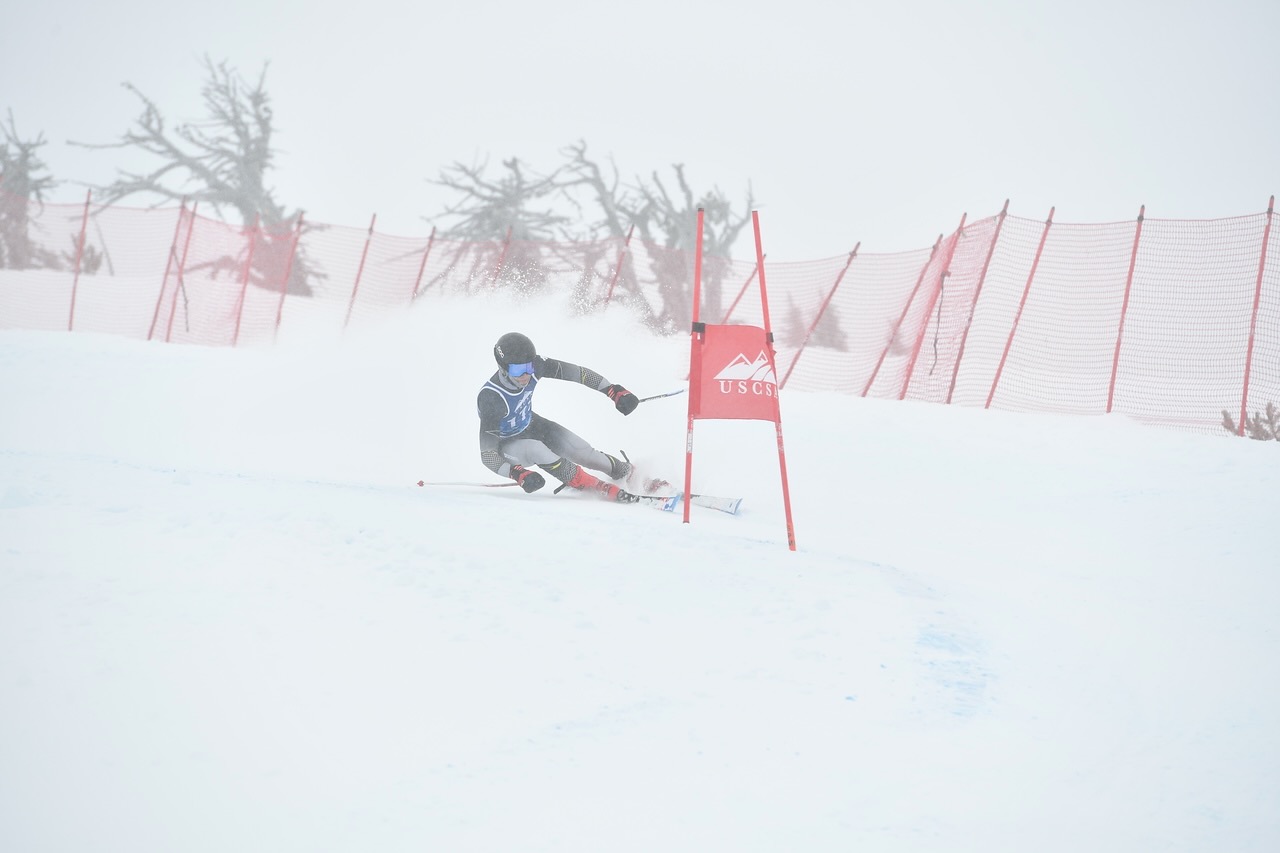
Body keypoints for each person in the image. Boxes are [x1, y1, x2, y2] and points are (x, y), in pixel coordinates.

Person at [478, 331, 641, 502]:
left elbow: (580, 374)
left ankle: (628, 472)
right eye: (518, 370)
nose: (526, 375)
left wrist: (613, 391)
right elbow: (487, 455)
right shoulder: (491, 398)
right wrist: (517, 473)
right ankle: (598, 488)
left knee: (584, 452)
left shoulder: (536, 366)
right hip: (507, 446)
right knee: (536, 450)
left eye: (529, 367)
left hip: (531, 424)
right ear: (503, 369)